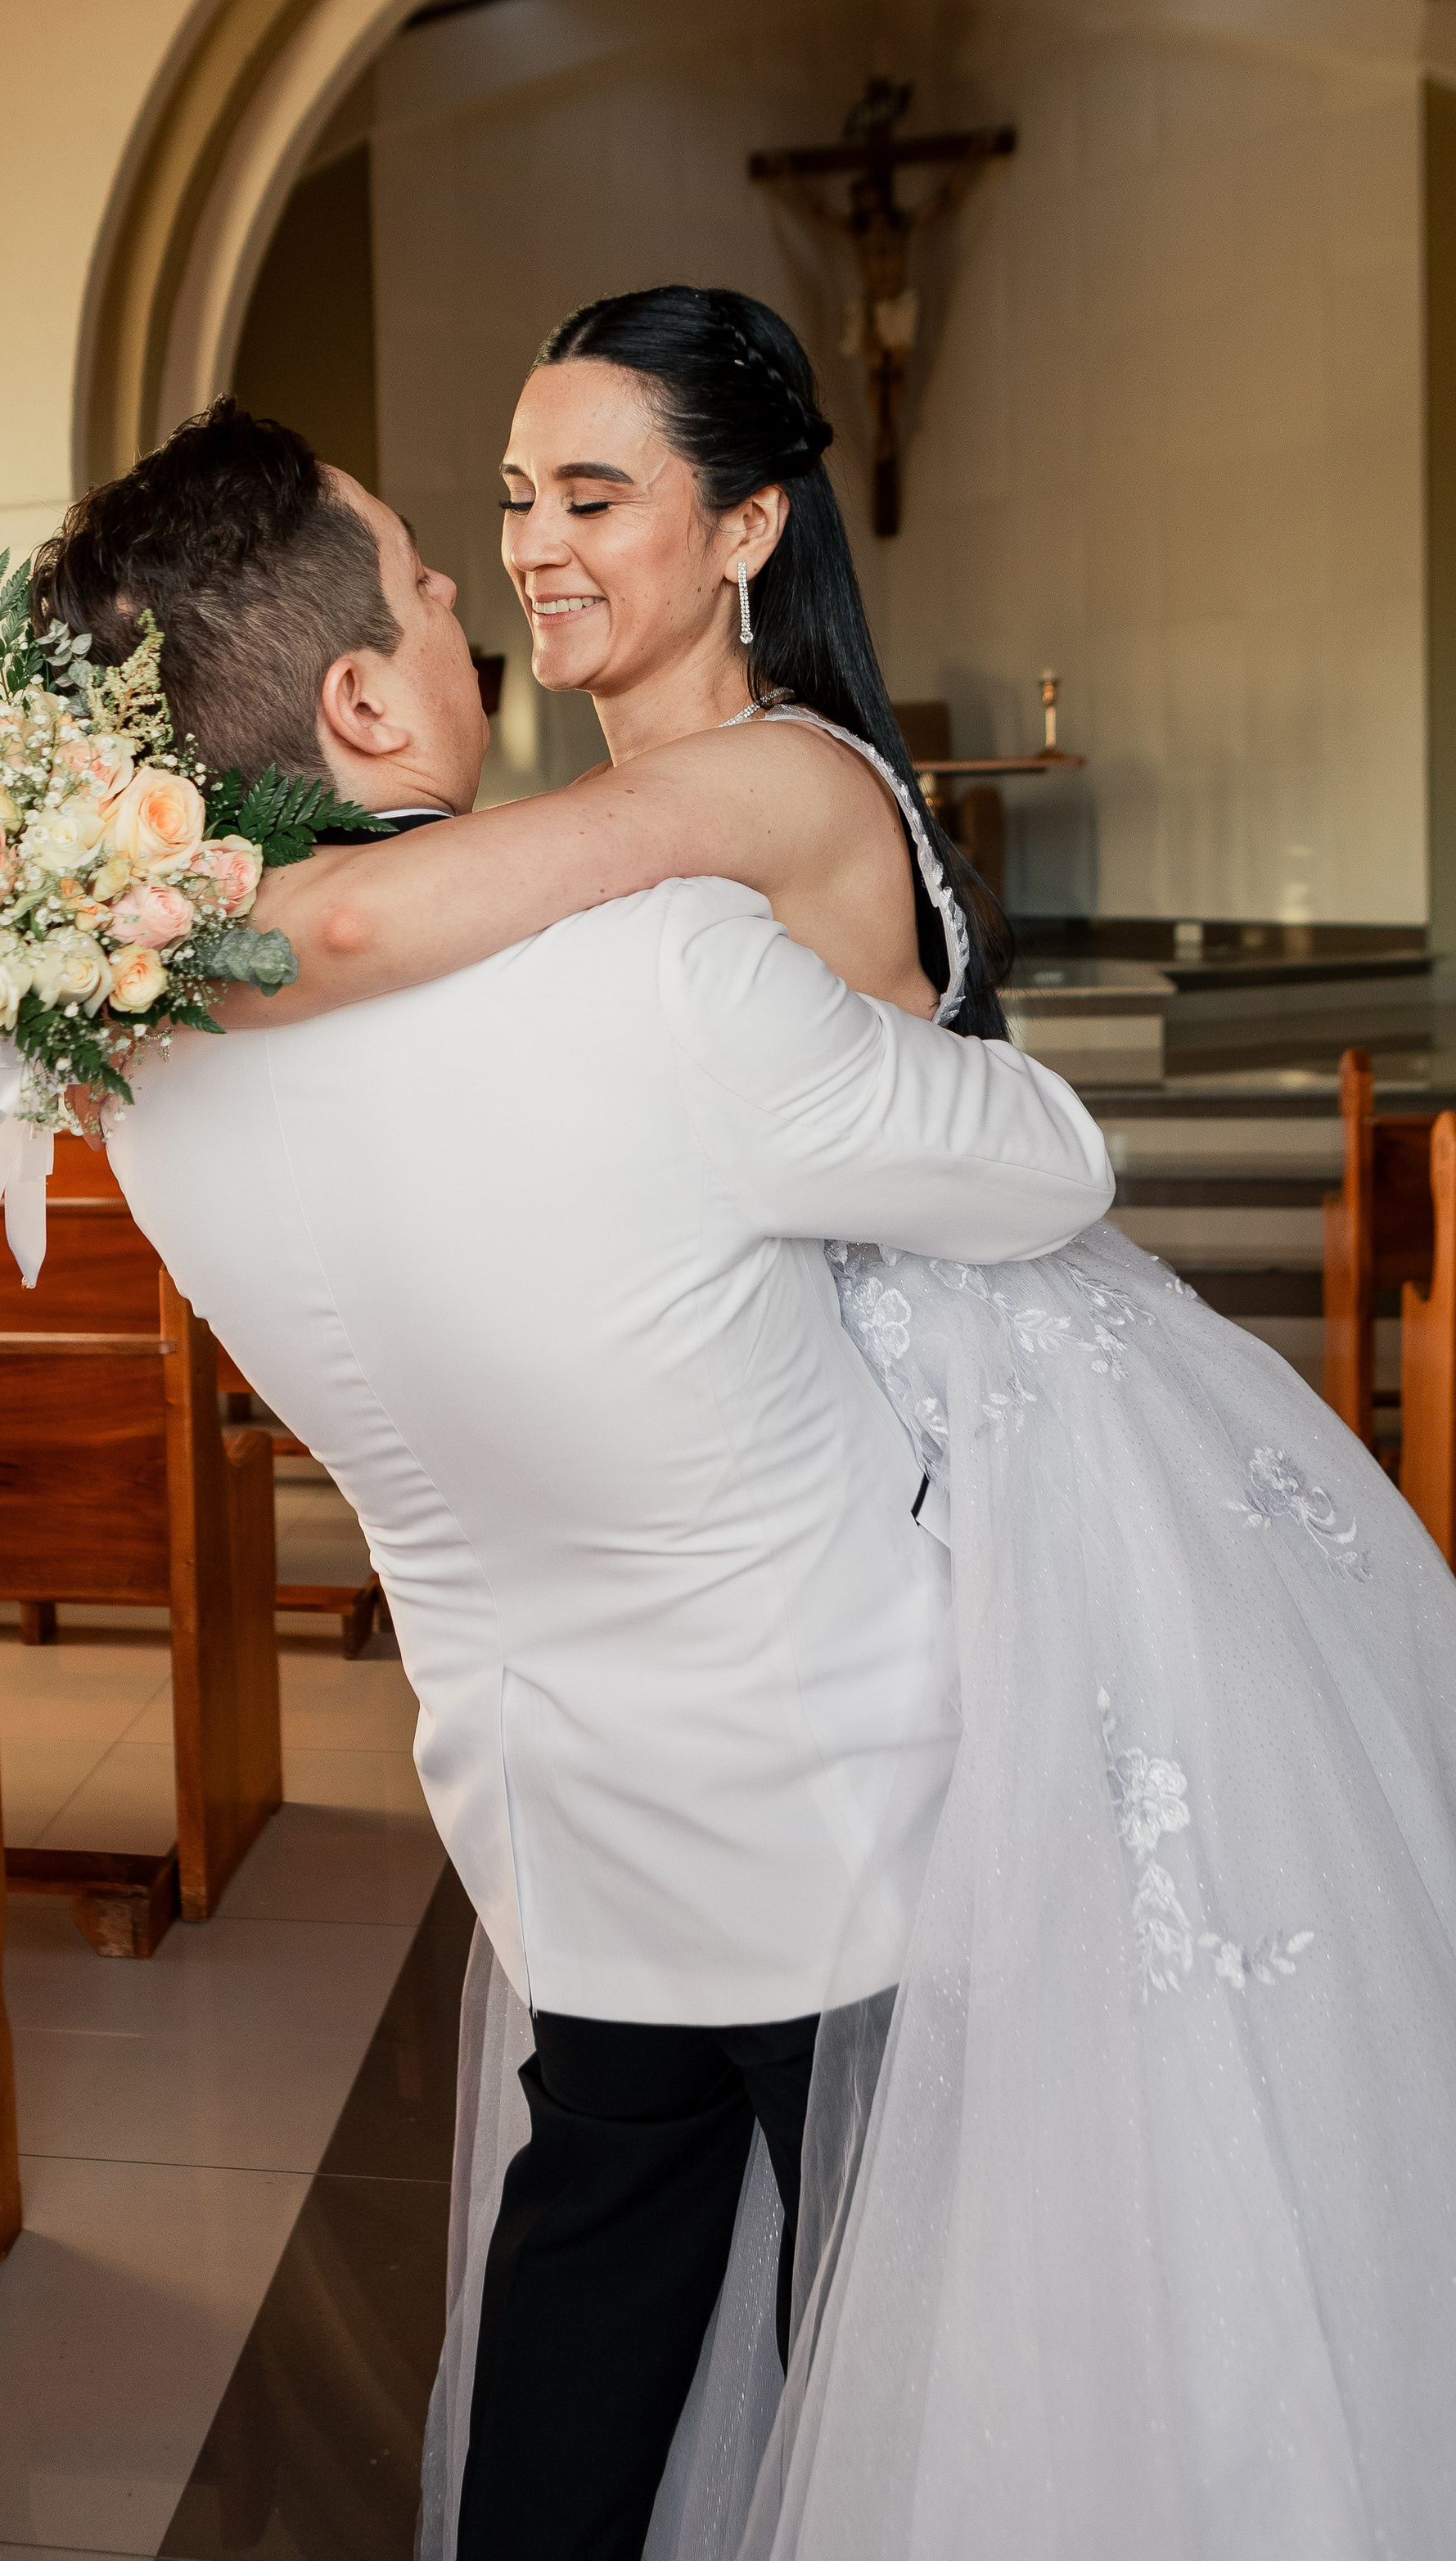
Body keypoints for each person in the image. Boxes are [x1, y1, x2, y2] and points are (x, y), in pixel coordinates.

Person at [97, 292, 1456, 2561]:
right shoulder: (620, 909)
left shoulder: (198, 1041)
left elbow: (368, 927)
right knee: (933, 2253)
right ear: (352, 690)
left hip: (733, 1645)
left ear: (746, 530)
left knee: (695, 2227)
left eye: (583, 499)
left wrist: (144, 916)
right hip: (794, 1651)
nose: (514, 557)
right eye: (493, 516)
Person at [29, 389, 1112, 2561]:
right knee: (910, 2321)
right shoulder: (660, 971)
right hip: (849, 1817)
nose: (475, 608)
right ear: (357, 698)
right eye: (432, 589)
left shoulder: (143, 1077)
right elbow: (1043, 1174)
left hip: (557, 1810)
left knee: (595, 2264)